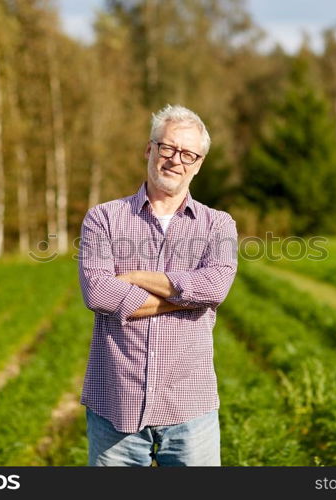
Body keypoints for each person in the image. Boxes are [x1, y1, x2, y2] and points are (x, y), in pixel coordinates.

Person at [78, 104, 238, 466]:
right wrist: (188, 296)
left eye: (187, 154)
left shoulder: (218, 225)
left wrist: (134, 279)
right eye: (167, 148)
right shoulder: (103, 218)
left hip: (189, 406)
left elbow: (216, 287)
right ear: (149, 150)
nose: (174, 160)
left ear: (198, 164)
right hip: (115, 403)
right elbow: (98, 292)